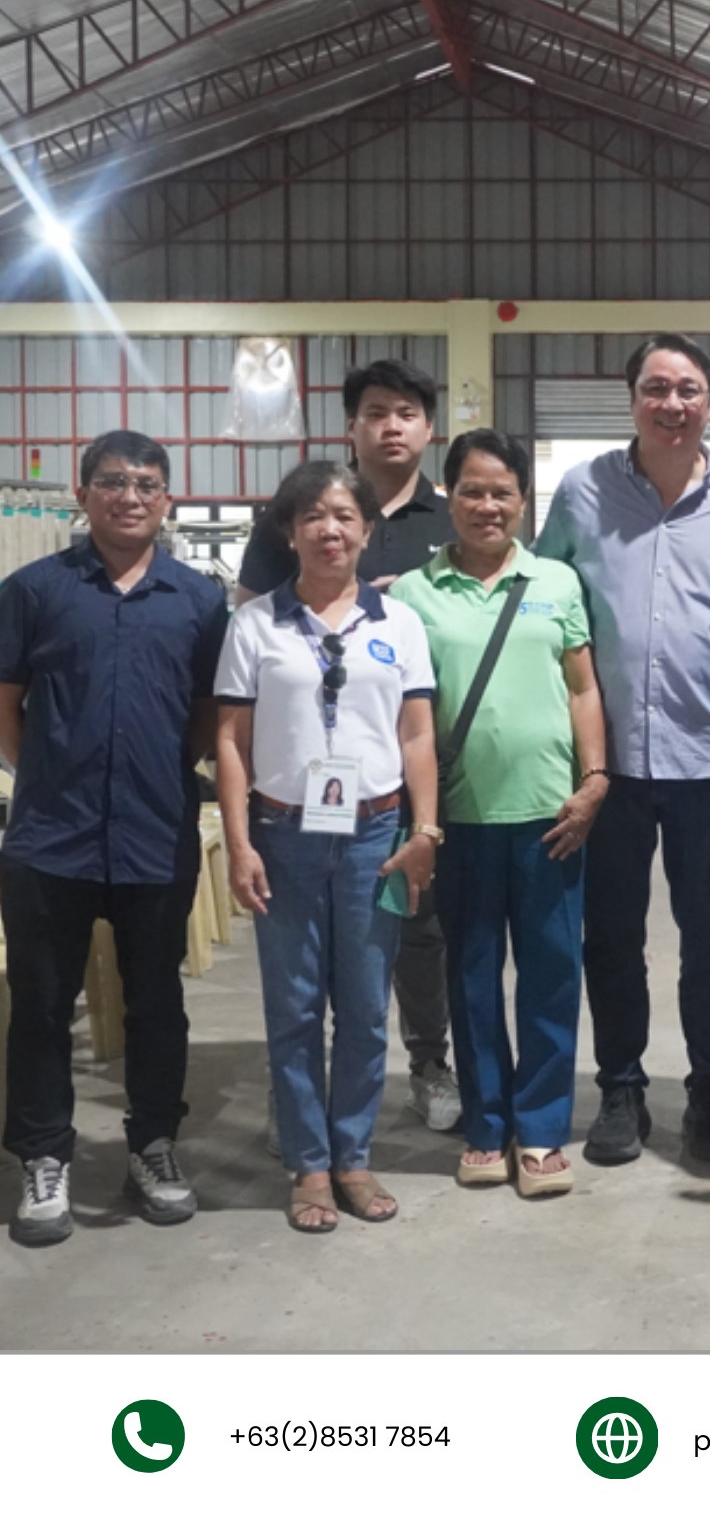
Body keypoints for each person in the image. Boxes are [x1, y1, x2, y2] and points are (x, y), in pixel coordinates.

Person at [537, 334, 710, 1166]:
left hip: (707, 763)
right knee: (611, 934)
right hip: (609, 771)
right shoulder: (582, 492)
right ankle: (622, 1088)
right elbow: (542, 603)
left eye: (690, 390)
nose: (673, 404)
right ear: (631, 397)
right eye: (657, 388)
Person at [0, 431, 228, 1247]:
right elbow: (9, 701)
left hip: (154, 832)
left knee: (157, 1003)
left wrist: (163, 770)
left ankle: (154, 1144)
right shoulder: (33, 590)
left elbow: (208, 713)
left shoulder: (199, 602)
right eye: (111, 481)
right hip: (48, 844)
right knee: (40, 1006)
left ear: (166, 498)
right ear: (82, 492)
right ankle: (42, 1156)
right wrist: (49, 776)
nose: (129, 495)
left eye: (145, 483)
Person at [216, 461, 439, 1232]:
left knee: (367, 1009)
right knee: (295, 1005)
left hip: (375, 833)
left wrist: (424, 831)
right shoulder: (255, 626)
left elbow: (416, 735)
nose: (331, 529)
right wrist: (241, 844)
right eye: (313, 515)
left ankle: (354, 1155)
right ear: (289, 531)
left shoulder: (398, 624)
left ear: (367, 530)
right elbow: (232, 741)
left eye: (346, 515)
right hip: (284, 835)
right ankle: (309, 1165)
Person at [238, 359, 458, 1138]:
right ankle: (303, 1121)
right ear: (352, 426)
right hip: (298, 797)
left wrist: (425, 817)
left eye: (405, 411)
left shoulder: (451, 517)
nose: (390, 425)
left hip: (404, 775)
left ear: (428, 427)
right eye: (374, 412)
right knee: (300, 982)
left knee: (413, 942)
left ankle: (429, 1064)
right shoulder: (296, 516)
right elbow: (254, 636)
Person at [393, 430, 609, 1198]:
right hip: (460, 817)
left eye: (503, 492)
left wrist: (594, 779)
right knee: (474, 971)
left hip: (552, 815)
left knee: (551, 973)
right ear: (448, 496)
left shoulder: (555, 581)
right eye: (473, 491)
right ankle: (488, 1126)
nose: (488, 506)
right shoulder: (413, 595)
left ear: (525, 501)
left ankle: (543, 1128)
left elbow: (582, 688)